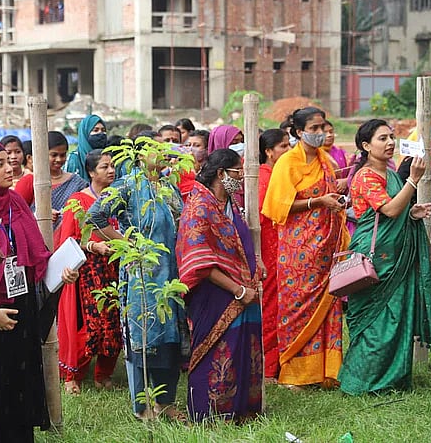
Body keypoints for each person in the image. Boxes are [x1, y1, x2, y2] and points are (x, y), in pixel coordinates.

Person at [0, 141, 77, 442]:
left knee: (19, 389)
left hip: (20, 307)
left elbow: (36, 257)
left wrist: (60, 273)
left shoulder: (15, 204)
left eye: (10, 161)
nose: (10, 167)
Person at [338, 119, 431, 395]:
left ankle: (393, 378)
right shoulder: (366, 176)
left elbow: (399, 210)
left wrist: (413, 212)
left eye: (391, 137)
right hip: (375, 256)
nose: (390, 143)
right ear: (365, 145)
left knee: (396, 317)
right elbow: (389, 210)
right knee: (373, 322)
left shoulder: (392, 173)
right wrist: (413, 181)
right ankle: (361, 383)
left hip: (397, 253)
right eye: (382, 138)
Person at [87, 141, 183, 420]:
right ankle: (142, 407)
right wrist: (125, 244)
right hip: (141, 274)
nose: (164, 154)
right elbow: (96, 215)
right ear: (140, 155)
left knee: (169, 337)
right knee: (142, 336)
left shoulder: (168, 186)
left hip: (171, 273)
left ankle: (166, 402)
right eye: (156, 149)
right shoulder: (127, 185)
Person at [262, 107, 347, 389]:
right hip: (298, 249)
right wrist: (318, 202)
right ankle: (293, 374)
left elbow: (331, 189)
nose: (321, 133)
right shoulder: (288, 163)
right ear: (298, 132)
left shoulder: (325, 161)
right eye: (314, 128)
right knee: (296, 309)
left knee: (329, 307)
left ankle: (326, 372)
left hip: (326, 247)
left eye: (323, 127)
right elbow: (278, 207)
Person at [176, 149, 262, 421]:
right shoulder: (199, 208)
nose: (241, 178)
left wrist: (254, 268)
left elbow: (239, 242)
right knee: (217, 350)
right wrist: (237, 290)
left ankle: (241, 409)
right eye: (237, 172)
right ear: (221, 173)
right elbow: (199, 260)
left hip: (244, 290)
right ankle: (209, 413)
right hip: (217, 294)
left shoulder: (229, 203)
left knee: (242, 347)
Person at [57, 149, 122, 394]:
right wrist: (94, 246)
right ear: (92, 172)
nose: (111, 170)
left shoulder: (117, 198)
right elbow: (70, 241)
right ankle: (73, 374)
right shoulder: (78, 200)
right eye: (105, 167)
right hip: (88, 272)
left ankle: (103, 373)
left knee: (113, 321)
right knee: (88, 324)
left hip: (114, 268)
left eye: (113, 165)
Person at [258, 128, 291, 381]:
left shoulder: (279, 174)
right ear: (268, 152)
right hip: (270, 250)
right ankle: (269, 368)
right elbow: (263, 214)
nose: (288, 151)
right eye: (283, 147)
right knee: (271, 307)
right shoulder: (264, 177)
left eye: (289, 145)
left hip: (282, 249)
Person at [15, 131, 88, 228]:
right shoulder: (29, 181)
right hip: (37, 238)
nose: (58, 159)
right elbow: (16, 215)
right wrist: (40, 216)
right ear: (42, 154)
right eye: (54, 155)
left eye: (62, 155)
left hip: (68, 240)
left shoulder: (77, 182)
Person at [65, 114, 108, 180]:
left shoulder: (108, 157)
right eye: (96, 130)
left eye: (103, 130)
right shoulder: (74, 159)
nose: (100, 133)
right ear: (85, 134)